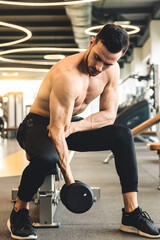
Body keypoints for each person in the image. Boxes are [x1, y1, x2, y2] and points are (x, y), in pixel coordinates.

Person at [7, 23, 160, 240]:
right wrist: (71, 181)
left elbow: (109, 115)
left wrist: (77, 126)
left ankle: (131, 214)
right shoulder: (67, 75)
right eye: (97, 57)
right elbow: (56, 130)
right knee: (47, 158)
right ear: (91, 43)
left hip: (71, 124)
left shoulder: (111, 70)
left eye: (108, 63)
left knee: (123, 135)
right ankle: (19, 212)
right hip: (38, 125)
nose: (99, 67)